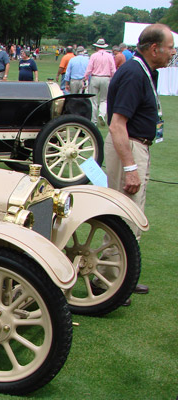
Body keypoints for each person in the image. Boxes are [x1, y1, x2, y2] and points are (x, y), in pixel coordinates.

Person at [104, 24, 176, 298]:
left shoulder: (144, 71)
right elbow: (117, 125)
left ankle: (122, 278)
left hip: (135, 147)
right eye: (170, 47)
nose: (173, 52)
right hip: (128, 148)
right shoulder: (135, 73)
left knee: (132, 218)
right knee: (124, 218)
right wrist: (130, 167)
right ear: (154, 48)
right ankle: (109, 284)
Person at [83, 38, 116, 126]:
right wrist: (113, 78)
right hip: (106, 78)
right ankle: (102, 114)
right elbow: (113, 69)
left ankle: (94, 120)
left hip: (95, 77)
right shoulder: (109, 56)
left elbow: (89, 67)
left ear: (97, 47)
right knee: (104, 100)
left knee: (93, 100)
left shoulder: (94, 56)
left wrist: (85, 76)